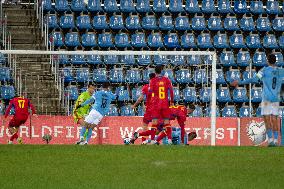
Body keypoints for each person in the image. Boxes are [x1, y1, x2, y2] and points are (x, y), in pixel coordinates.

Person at [231, 54, 284, 146]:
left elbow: (254, 79)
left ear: (268, 60)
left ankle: (271, 140)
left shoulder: (264, 70)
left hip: (267, 98)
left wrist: (240, 82)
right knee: (275, 119)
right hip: (276, 98)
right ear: (275, 61)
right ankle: (275, 140)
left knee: (267, 119)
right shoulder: (280, 71)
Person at [131, 104, 197, 145]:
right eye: (192, 111)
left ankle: (138, 134)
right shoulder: (183, 115)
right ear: (191, 110)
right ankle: (155, 141)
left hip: (162, 115)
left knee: (156, 132)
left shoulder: (182, 107)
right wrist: (183, 141)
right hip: (164, 117)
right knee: (168, 129)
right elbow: (182, 127)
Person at [131, 73, 156, 144]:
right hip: (157, 109)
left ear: (149, 79)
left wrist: (134, 105)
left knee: (145, 125)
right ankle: (152, 141)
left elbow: (140, 98)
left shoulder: (146, 87)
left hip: (149, 109)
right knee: (154, 126)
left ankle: (143, 141)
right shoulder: (159, 87)